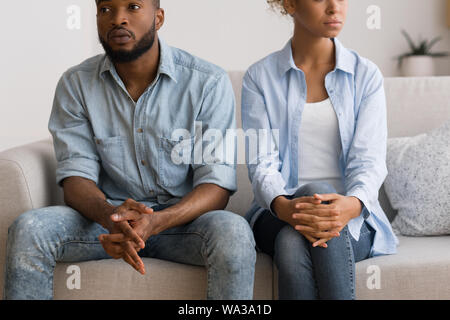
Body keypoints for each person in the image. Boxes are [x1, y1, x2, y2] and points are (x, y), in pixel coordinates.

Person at [3, 0, 256, 300]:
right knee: (30, 228)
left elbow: (216, 185)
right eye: (106, 9)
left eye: (133, 7)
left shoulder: (207, 83)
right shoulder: (76, 84)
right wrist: (114, 219)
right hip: (107, 221)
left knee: (234, 232)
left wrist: (157, 221)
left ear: (158, 18)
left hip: (182, 225)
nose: (117, 19)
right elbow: (75, 179)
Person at [241, 0, 398, 300]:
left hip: (350, 214)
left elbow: (370, 161)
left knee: (290, 244)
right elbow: (261, 164)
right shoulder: (259, 77)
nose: (334, 7)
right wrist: (288, 208)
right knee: (316, 193)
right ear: (289, 4)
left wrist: (349, 207)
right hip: (278, 212)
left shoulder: (366, 76)